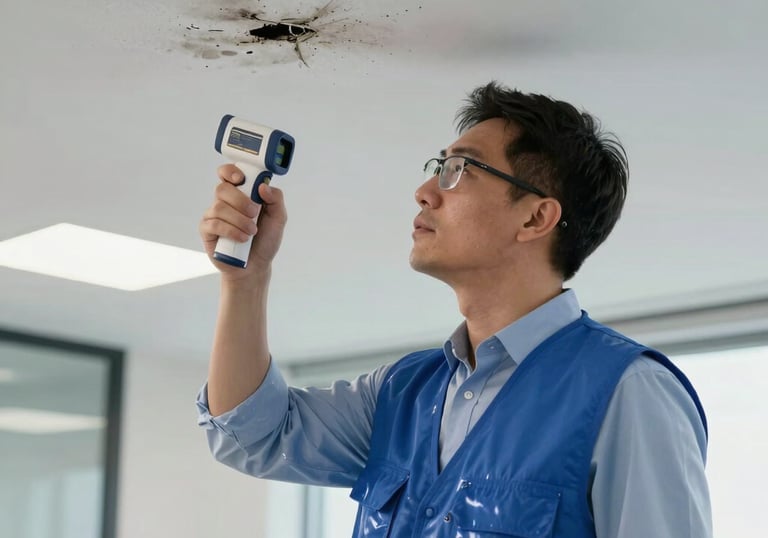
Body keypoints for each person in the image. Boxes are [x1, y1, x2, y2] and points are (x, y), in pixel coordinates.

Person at [196, 82, 712, 538]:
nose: (424, 192)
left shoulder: (629, 392)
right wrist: (246, 280)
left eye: (458, 170)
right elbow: (254, 436)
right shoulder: (403, 393)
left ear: (535, 217)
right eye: (437, 168)